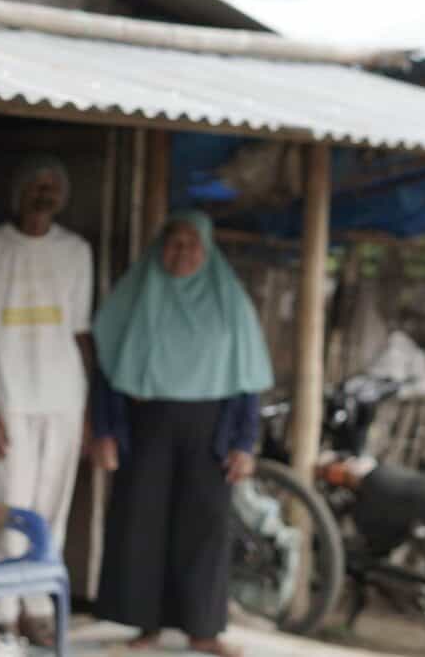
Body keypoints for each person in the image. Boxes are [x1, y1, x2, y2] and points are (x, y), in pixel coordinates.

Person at [91, 211, 274, 657]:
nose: (182, 252)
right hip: (145, 426)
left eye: (193, 244)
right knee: (142, 524)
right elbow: (107, 369)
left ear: (208, 250)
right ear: (159, 247)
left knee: (205, 528)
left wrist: (244, 443)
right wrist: (106, 430)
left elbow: (247, 379)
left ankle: (203, 629)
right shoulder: (136, 295)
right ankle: (145, 624)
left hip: (211, 430)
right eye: (174, 242)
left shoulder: (230, 303)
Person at [0, 153, 94, 646]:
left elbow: (80, 332)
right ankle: (1, 610)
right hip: (11, 396)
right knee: (9, 506)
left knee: (50, 511)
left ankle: (38, 606)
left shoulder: (76, 250)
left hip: (64, 397)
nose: (44, 194)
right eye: (35, 185)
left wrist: (89, 414)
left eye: (52, 187)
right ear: (18, 191)